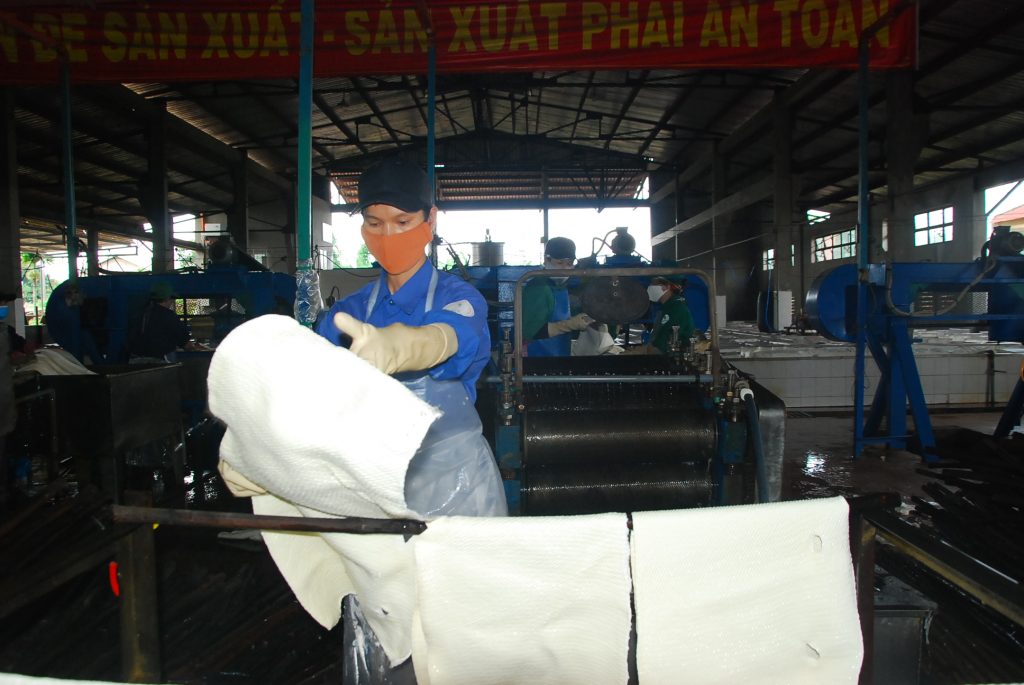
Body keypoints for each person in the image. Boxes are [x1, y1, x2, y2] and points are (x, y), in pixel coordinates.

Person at [316, 156, 506, 519]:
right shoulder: (349, 313)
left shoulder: (458, 297)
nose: (388, 236)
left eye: (402, 222)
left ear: (430, 220)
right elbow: (310, 387)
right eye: (375, 223)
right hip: (373, 487)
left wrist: (405, 345)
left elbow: (448, 336)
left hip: (457, 487)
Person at [521, 237, 593, 356]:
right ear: (546, 260)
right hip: (538, 358)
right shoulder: (538, 287)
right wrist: (570, 325)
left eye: (569, 263)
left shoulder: (560, 286)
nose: (565, 268)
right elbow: (530, 331)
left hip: (560, 355)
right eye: (560, 263)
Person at [127, 281, 206, 363]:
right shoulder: (169, 316)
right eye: (172, 298)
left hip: (135, 362)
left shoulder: (140, 313)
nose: (172, 301)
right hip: (159, 364)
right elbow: (186, 344)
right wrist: (196, 348)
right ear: (167, 298)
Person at [645, 276, 695, 354]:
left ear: (667, 287)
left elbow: (666, 336)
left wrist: (654, 348)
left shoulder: (676, 307)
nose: (650, 288)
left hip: (675, 354)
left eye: (654, 285)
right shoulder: (668, 307)